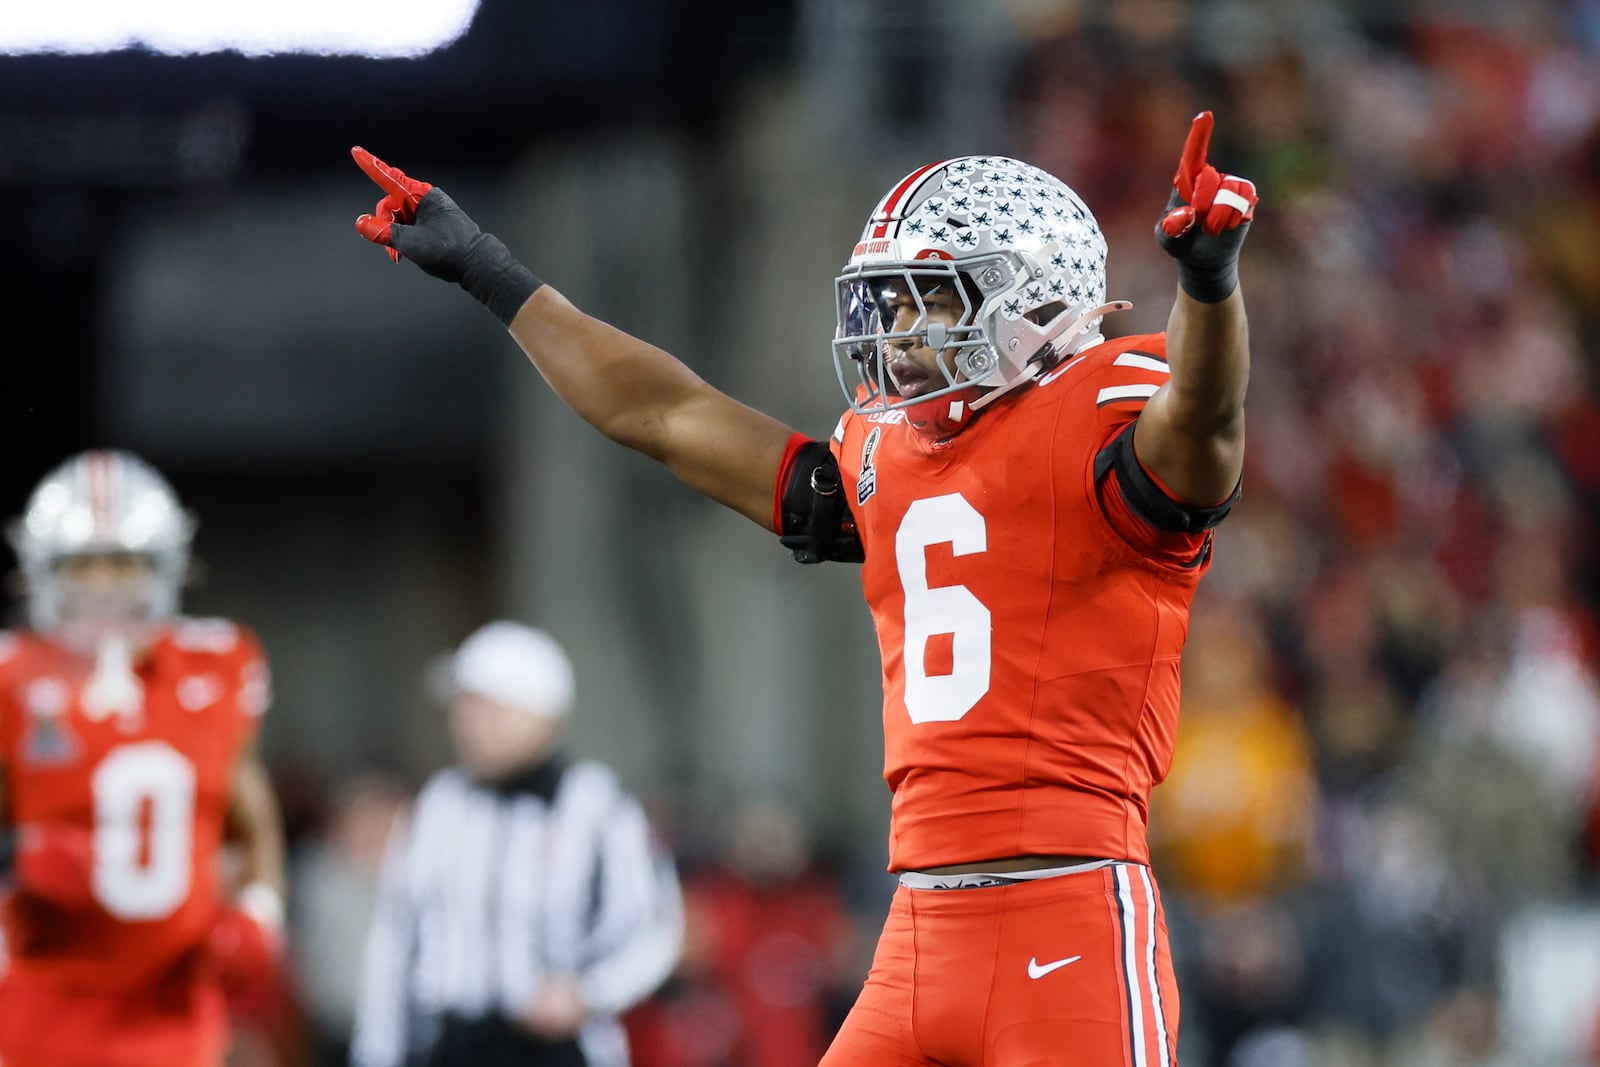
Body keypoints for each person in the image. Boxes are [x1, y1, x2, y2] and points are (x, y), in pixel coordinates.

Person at [350, 111, 1257, 1066]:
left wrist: (1208, 284)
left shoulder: (1113, 415)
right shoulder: (884, 453)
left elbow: (1203, 418)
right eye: (893, 304)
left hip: (1068, 914)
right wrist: (492, 272)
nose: (900, 334)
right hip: (917, 930)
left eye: (930, 302)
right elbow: (663, 414)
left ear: (1029, 301)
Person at [0, 449, 289, 1067]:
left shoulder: (218, 664)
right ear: (45, 574)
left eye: (123, 566)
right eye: (84, 568)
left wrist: (261, 911)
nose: (104, 589)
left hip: (173, 1001)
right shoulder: (13, 679)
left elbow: (247, 804)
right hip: (45, 991)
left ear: (164, 569)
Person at [350, 620, 684, 1067]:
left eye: (489, 708)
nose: (469, 725)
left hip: (555, 1049)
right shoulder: (439, 804)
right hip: (453, 1046)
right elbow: (396, 936)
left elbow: (657, 928)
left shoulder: (596, 804)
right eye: (463, 709)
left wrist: (587, 994)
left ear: (543, 715)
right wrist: (377, 1052)